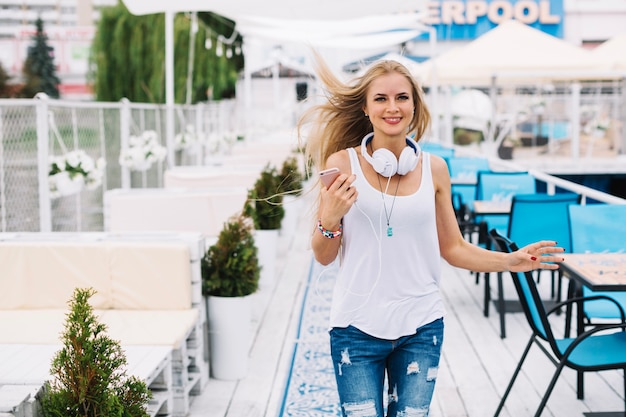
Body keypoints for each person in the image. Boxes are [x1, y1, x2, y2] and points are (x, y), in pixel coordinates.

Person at [298, 55, 565, 417]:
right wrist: (329, 217)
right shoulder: (342, 164)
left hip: (421, 327)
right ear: (365, 107)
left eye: (402, 97)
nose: (392, 107)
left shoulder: (435, 169)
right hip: (356, 330)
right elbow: (323, 255)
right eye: (381, 98)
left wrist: (509, 261)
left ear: (414, 105)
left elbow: (453, 248)